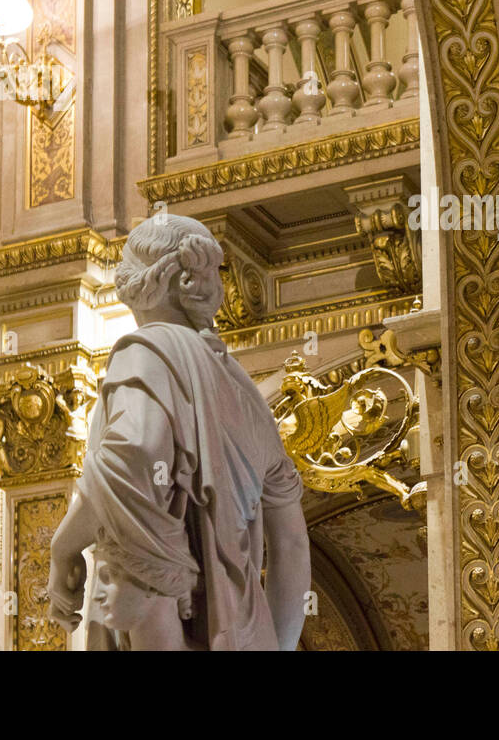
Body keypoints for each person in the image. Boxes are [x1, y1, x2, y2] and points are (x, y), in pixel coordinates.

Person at [48, 214, 310, 650]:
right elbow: (292, 545)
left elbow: (132, 455)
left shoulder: (145, 354)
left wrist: (63, 547)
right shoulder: (245, 392)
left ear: (139, 281)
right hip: (243, 633)